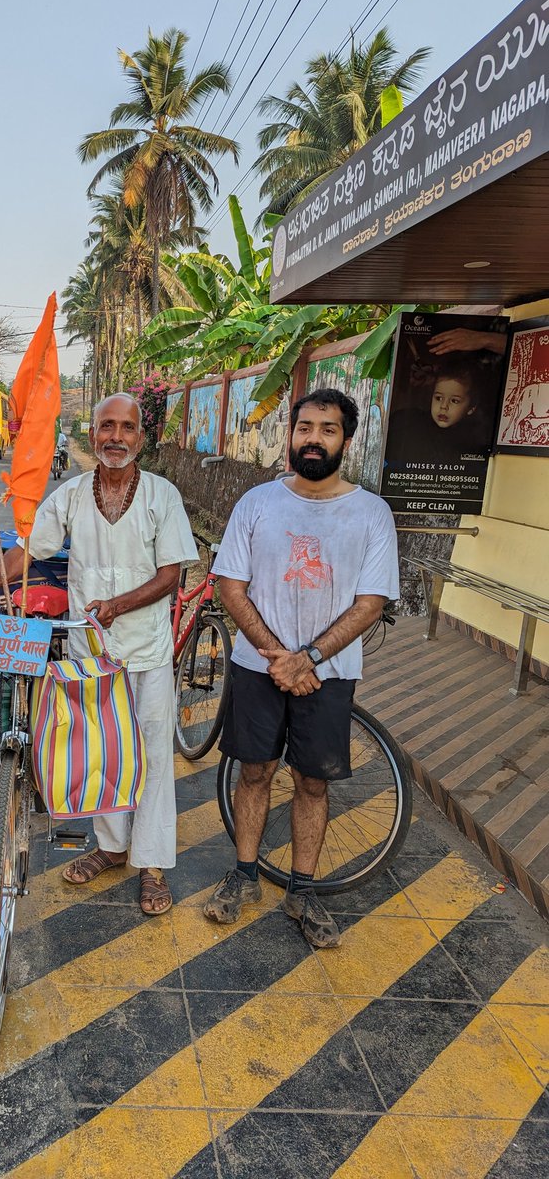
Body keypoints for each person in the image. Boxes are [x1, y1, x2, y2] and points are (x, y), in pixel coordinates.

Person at [0, 393, 197, 915]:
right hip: (89, 650)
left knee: (148, 756)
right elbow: (27, 550)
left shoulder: (161, 496)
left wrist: (119, 605)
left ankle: (151, 864)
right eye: (107, 426)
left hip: (145, 650)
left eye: (127, 428)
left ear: (141, 438)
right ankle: (110, 847)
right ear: (93, 433)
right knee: (100, 753)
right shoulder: (74, 494)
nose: (116, 437)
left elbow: (172, 574)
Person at [203, 388, 399, 948]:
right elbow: (230, 587)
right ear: (291, 434)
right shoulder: (257, 503)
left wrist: (307, 658)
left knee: (312, 782)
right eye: (305, 426)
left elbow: (371, 602)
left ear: (346, 439)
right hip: (257, 667)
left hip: (327, 675)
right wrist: (278, 657)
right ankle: (243, 875)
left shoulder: (370, 513)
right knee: (255, 771)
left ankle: (303, 890)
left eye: (328, 429)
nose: (314, 438)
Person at [386, 365, 486, 464]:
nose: (444, 406)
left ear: (471, 408)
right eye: (439, 398)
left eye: (454, 401)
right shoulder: (406, 423)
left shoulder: (474, 442)